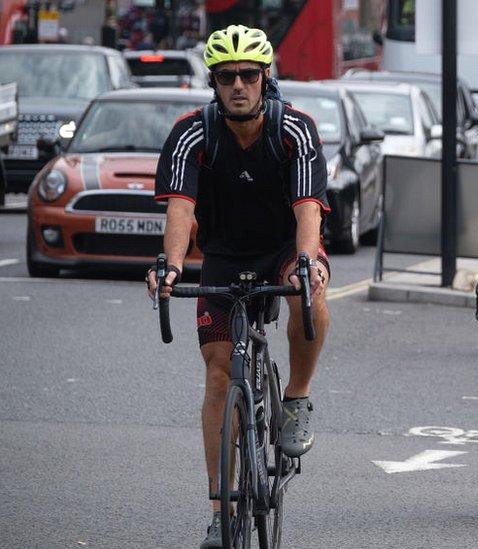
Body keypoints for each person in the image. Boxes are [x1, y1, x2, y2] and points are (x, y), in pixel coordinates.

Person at [145, 25, 331, 548]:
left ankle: (295, 397)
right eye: (226, 77)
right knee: (218, 374)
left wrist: (306, 260)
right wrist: (172, 267)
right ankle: (219, 508)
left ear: (265, 77)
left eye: (248, 75)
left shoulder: (293, 129)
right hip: (224, 255)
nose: (238, 85)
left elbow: (308, 209)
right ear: (213, 81)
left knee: (310, 287)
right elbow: (180, 210)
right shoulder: (191, 134)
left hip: (282, 248)